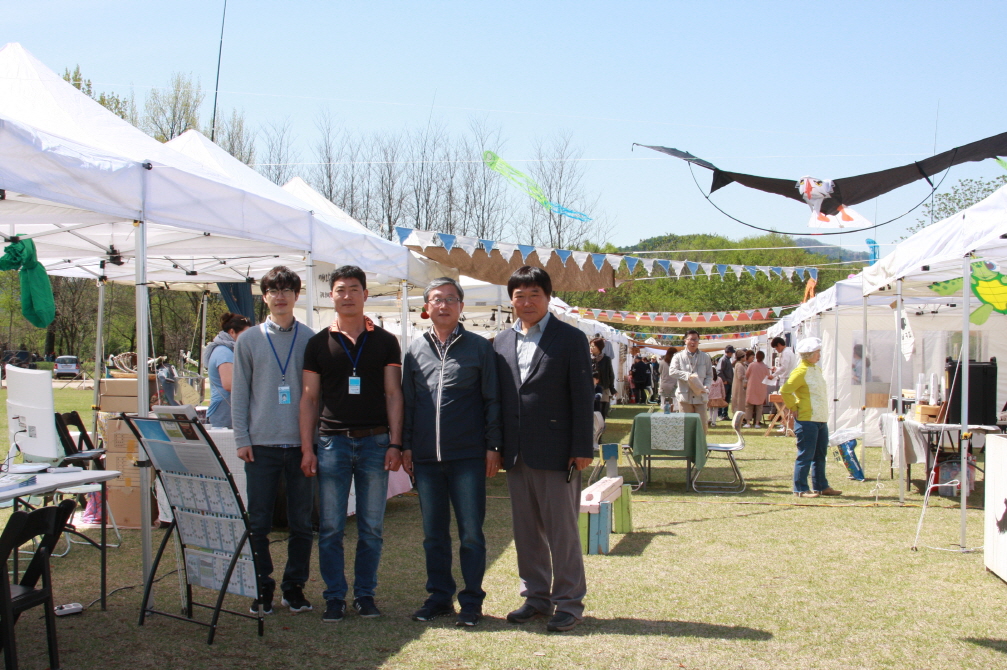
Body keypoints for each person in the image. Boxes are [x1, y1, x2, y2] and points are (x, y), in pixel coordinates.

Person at [299, 265, 404, 623]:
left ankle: (365, 595)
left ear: (365, 294)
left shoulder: (386, 341)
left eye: (354, 289)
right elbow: (309, 400)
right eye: (340, 289)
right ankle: (334, 597)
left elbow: (394, 393)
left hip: (376, 443)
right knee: (330, 528)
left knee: (372, 527)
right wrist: (307, 448)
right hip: (332, 445)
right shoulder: (317, 344)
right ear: (332, 296)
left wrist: (395, 442)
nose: (347, 295)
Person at [493, 266, 593, 633]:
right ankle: (536, 598)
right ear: (512, 301)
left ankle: (569, 602)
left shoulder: (570, 339)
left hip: (559, 451)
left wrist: (582, 446)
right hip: (516, 452)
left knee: (561, 530)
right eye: (519, 296)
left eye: (534, 294)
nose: (527, 302)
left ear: (548, 298)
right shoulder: (501, 342)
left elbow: (583, 397)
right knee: (526, 531)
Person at [401, 277, 502, 627]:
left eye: (450, 299)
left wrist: (493, 446)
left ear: (461, 306)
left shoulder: (478, 348)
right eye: (436, 300)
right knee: (434, 533)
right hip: (427, 459)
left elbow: (493, 400)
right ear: (426, 307)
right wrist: (407, 445)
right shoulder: (415, 349)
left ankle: (472, 600)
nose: (443, 305)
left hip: (468, 458)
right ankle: (439, 596)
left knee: (471, 532)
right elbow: (409, 403)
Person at [232, 266, 314, 616]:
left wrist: (314, 443)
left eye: (287, 289)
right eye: (273, 290)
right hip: (261, 446)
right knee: (259, 522)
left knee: (301, 523)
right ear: (264, 296)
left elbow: (317, 396)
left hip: (300, 446)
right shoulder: (248, 339)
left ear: (297, 295)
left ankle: (294, 588)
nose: (280, 296)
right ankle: (261, 586)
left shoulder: (311, 338)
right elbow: (240, 394)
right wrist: (242, 437)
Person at [781, 337, 842, 498]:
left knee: (820, 454)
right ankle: (800, 488)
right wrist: (794, 407)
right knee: (806, 454)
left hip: (820, 418)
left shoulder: (816, 369)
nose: (819, 355)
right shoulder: (800, 372)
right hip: (807, 418)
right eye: (817, 352)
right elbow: (785, 390)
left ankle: (821, 486)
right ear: (808, 355)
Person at [205, 312, 252, 428]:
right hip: (223, 413)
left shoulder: (228, 350)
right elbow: (229, 385)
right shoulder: (224, 352)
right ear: (232, 332)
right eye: (245, 334)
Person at [666, 330, 714, 435]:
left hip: (700, 397)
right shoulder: (677, 356)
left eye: (696, 339)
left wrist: (707, 386)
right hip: (684, 397)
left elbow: (710, 375)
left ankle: (701, 449)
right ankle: (687, 450)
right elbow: (672, 371)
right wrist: (687, 376)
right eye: (691, 339)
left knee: (702, 427)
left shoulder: (705, 357)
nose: (694, 342)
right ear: (685, 341)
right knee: (686, 427)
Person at [590, 338, 616, 418]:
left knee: (601, 411)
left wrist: (612, 388)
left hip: (603, 387)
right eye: (590, 346)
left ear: (599, 347)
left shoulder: (606, 359)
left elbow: (610, 374)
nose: (591, 348)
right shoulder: (586, 358)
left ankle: (601, 428)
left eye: (593, 346)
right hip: (590, 388)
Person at [745, 350, 770, 428]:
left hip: (751, 386)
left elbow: (747, 375)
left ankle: (748, 422)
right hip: (761, 388)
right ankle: (757, 423)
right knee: (759, 407)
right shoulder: (765, 367)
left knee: (749, 406)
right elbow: (768, 377)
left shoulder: (752, 365)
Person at [658, 347, 679, 412]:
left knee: (665, 403)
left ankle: (666, 415)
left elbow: (660, 371)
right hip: (674, 384)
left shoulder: (662, 362)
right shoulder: (677, 363)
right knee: (674, 403)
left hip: (664, 384)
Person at [718, 346, 736, 419]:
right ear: (728, 352)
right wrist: (724, 380)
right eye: (731, 352)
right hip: (726, 383)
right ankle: (721, 414)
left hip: (729, 382)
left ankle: (724, 414)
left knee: (727, 399)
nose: (732, 354)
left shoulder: (727, 360)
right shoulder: (723, 360)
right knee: (723, 399)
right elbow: (719, 371)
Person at [731, 350, 748, 417]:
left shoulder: (741, 364)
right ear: (742, 357)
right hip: (739, 386)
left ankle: (741, 416)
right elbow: (740, 376)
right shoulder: (739, 365)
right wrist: (748, 377)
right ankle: (739, 416)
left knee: (741, 401)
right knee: (739, 402)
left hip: (742, 386)